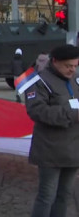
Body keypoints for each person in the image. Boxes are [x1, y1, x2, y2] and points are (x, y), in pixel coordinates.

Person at [24, 44, 79, 217]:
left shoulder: (76, 79)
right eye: (68, 66)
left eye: (75, 66)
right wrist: (72, 114)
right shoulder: (39, 81)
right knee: (47, 196)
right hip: (50, 151)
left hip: (74, 150)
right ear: (55, 61)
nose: (72, 70)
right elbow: (37, 111)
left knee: (65, 195)